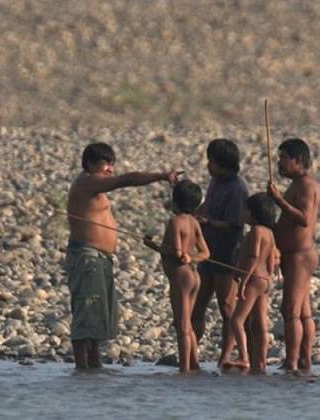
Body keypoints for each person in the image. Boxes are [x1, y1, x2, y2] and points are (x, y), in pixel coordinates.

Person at [64, 142, 181, 369]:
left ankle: (94, 366)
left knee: (97, 313)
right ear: (89, 164)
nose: (110, 169)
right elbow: (125, 180)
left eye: (112, 164)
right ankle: (81, 369)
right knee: (86, 311)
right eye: (105, 164)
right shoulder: (87, 182)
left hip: (100, 258)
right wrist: (161, 175)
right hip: (87, 256)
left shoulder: (95, 185)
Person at [191, 138, 249, 367]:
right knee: (199, 303)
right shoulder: (215, 182)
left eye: (211, 161)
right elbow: (206, 207)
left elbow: (234, 224)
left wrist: (209, 222)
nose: (208, 166)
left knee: (227, 306)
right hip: (208, 252)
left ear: (223, 164)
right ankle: (191, 352)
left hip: (227, 253)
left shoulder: (237, 188)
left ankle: (226, 356)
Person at [143, 180, 210, 373]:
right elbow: (205, 253)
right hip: (194, 276)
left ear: (176, 203)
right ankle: (194, 364)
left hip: (181, 276)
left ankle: (185, 369)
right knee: (187, 323)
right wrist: (193, 257)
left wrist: (152, 245)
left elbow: (176, 252)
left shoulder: (175, 222)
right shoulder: (194, 222)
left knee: (182, 326)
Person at [267, 138, 320, 373]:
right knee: (303, 312)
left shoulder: (306, 185)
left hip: (300, 255)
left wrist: (278, 200)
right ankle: (303, 361)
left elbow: (304, 218)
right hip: (296, 255)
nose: (279, 164)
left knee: (290, 310)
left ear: (297, 160)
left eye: (283, 159)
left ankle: (292, 361)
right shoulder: (298, 184)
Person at [228, 193, 278, 373]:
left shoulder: (256, 231)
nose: (243, 213)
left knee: (236, 320)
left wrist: (243, 282)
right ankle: (261, 361)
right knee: (260, 323)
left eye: (246, 210)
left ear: (254, 213)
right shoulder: (270, 233)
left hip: (254, 279)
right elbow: (271, 261)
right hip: (265, 280)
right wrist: (269, 278)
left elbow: (254, 257)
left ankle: (244, 357)